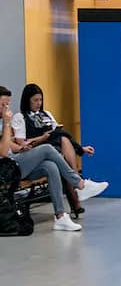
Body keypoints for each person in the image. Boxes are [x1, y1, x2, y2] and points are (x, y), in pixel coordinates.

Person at [1, 86, 105, 231]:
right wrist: (7, 124)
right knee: (47, 149)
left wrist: (24, 147)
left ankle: (60, 216)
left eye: (7, 104)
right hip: (6, 168)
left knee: (51, 166)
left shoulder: (6, 121)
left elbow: (14, 146)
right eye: (3, 105)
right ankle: (79, 184)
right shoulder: (8, 121)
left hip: (16, 162)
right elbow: (4, 152)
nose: (6, 108)